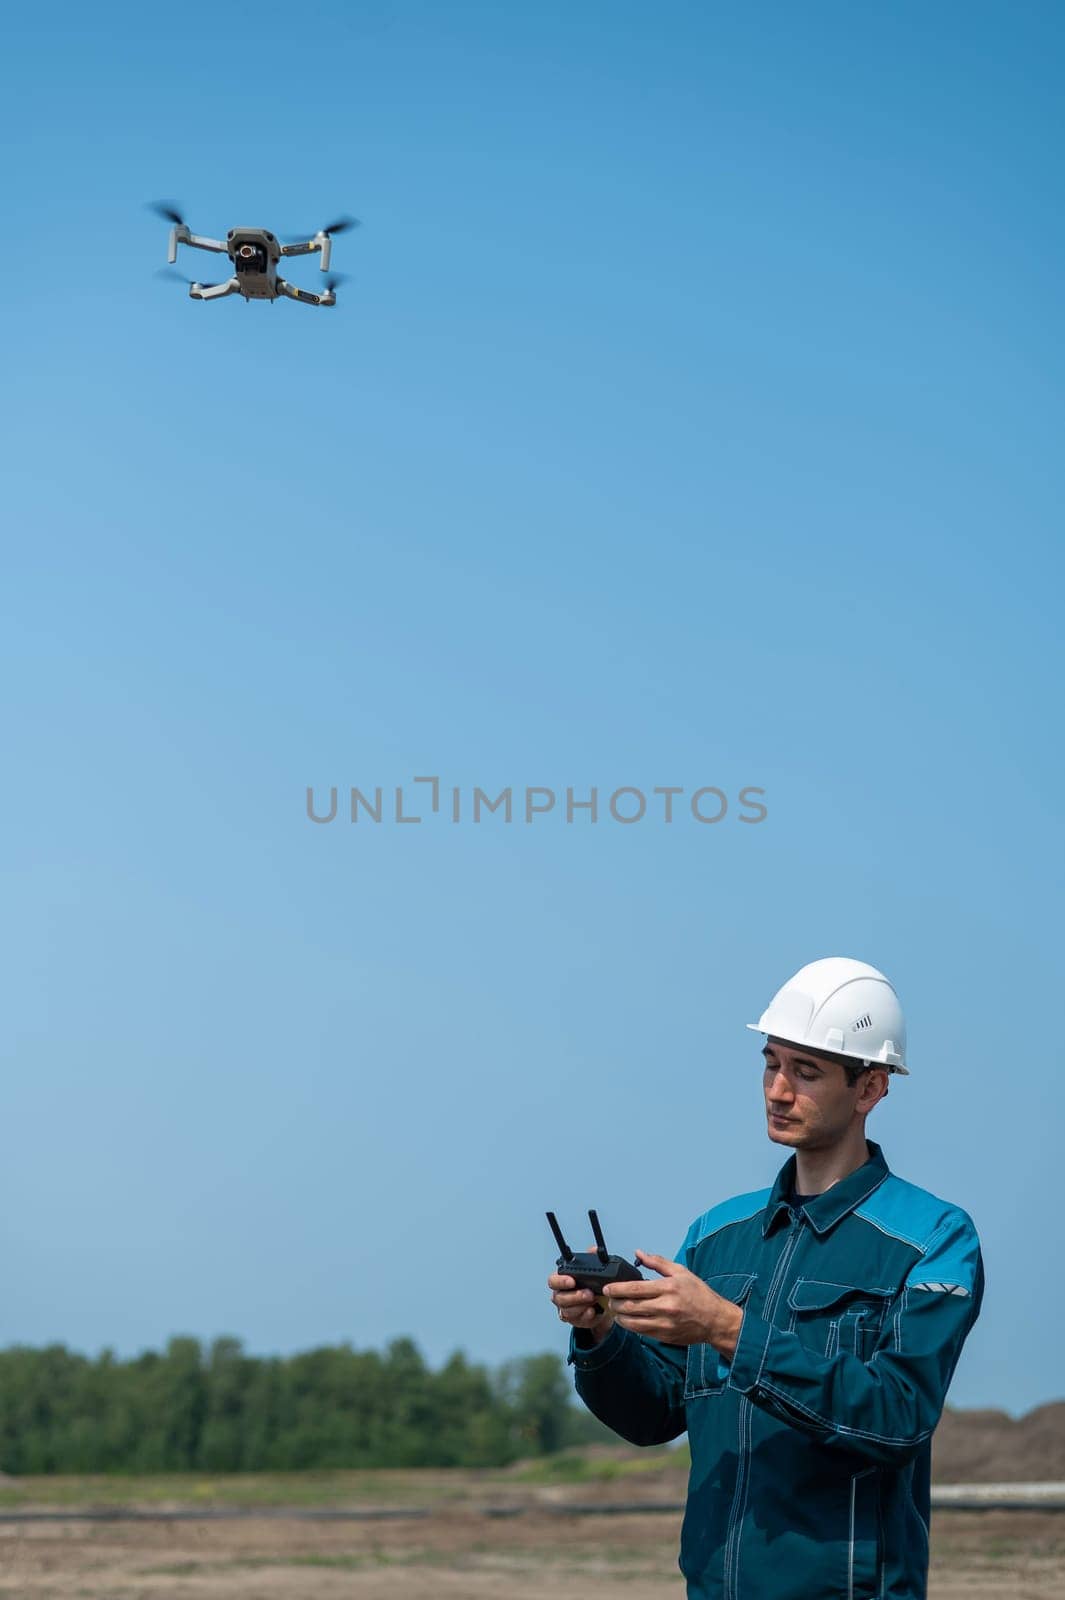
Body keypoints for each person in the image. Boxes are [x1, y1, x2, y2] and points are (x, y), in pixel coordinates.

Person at [549, 957, 984, 1600]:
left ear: (871, 1088)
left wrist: (728, 1328)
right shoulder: (717, 1235)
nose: (777, 1090)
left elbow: (897, 1418)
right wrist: (601, 1336)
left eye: (806, 1072)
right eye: (771, 1062)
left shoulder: (935, 1239)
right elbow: (653, 1416)